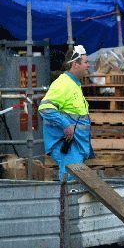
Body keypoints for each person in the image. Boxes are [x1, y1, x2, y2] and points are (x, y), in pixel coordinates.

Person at [39, 45, 94, 181]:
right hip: (68, 145)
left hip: (76, 145)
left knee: (73, 181)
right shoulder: (63, 83)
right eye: (86, 62)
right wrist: (65, 124)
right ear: (75, 64)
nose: (88, 66)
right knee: (70, 182)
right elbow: (44, 108)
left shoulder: (74, 84)